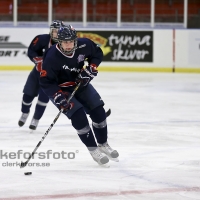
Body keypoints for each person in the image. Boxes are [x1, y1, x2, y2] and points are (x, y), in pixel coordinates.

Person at [40, 25, 119, 166]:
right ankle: (94, 150)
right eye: (65, 42)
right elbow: (46, 82)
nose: (68, 45)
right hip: (60, 89)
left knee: (99, 112)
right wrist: (58, 97)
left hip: (80, 83)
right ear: (59, 42)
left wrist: (91, 68)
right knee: (79, 118)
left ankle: (103, 144)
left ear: (75, 40)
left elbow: (97, 53)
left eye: (71, 41)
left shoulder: (85, 44)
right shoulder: (51, 56)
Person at [18, 20, 64, 130]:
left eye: (58, 31)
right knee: (27, 95)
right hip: (36, 74)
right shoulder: (42, 39)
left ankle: (36, 119)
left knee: (43, 100)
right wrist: (37, 60)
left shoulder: (65, 45)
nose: (56, 34)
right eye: (54, 31)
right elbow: (31, 51)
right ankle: (25, 113)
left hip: (51, 78)